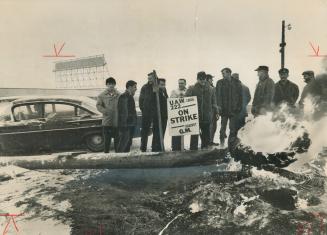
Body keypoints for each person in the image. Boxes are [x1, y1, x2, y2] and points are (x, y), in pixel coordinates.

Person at [186, 71, 218, 150]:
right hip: (195, 116)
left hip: (207, 116)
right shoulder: (191, 88)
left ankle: (205, 150)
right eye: (200, 79)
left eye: (204, 79)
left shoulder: (211, 89)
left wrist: (217, 112)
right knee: (194, 134)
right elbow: (186, 101)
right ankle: (193, 150)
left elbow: (214, 102)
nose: (202, 81)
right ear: (197, 79)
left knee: (206, 134)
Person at [216, 68, 242, 148]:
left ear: (229, 73)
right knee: (222, 129)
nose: (222, 75)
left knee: (233, 129)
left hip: (234, 111)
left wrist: (238, 108)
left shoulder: (237, 83)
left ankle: (230, 147)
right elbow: (218, 96)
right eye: (222, 74)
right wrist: (219, 108)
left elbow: (240, 96)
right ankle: (222, 146)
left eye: (224, 73)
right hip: (224, 111)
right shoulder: (220, 83)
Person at [96, 77, 120, 153]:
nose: (111, 86)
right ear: (106, 85)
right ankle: (106, 155)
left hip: (117, 121)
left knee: (117, 140)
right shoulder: (101, 95)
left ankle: (118, 156)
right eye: (109, 84)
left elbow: (122, 105)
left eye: (112, 84)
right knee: (107, 141)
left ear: (115, 84)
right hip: (107, 121)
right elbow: (98, 105)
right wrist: (105, 111)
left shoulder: (119, 94)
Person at [117, 80, 137, 153]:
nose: (136, 89)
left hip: (129, 124)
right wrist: (125, 125)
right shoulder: (124, 96)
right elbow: (124, 112)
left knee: (127, 144)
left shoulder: (129, 96)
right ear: (129, 87)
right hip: (126, 125)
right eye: (135, 87)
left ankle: (124, 160)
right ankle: (119, 160)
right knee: (124, 144)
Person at [139, 73, 156, 152]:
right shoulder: (144, 87)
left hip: (156, 113)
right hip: (146, 113)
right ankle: (143, 147)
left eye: (151, 78)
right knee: (145, 131)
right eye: (148, 78)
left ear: (154, 78)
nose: (149, 80)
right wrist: (143, 109)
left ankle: (155, 147)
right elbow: (141, 100)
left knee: (156, 130)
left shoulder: (157, 86)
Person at [151, 78, 168, 152]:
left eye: (164, 85)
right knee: (156, 133)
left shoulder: (164, 91)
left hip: (164, 116)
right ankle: (155, 148)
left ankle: (160, 146)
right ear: (157, 85)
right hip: (157, 117)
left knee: (162, 132)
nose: (163, 86)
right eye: (161, 85)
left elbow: (167, 100)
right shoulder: (155, 92)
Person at [170, 78, 187, 151]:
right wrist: (177, 98)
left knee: (183, 131)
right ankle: (174, 147)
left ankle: (182, 146)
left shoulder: (187, 91)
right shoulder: (174, 91)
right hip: (176, 114)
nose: (180, 84)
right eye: (179, 83)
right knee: (176, 131)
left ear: (185, 84)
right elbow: (171, 102)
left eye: (182, 83)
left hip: (185, 113)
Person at [206, 74, 219, 146]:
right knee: (211, 126)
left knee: (212, 126)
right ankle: (209, 141)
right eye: (211, 79)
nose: (212, 80)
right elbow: (214, 101)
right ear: (208, 79)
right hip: (210, 110)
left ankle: (209, 141)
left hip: (212, 110)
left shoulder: (212, 88)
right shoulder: (210, 88)